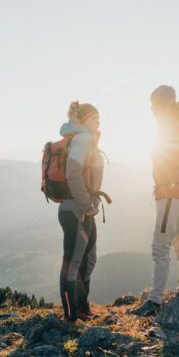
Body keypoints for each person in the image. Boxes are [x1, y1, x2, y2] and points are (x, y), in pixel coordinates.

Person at [131, 85, 179, 316]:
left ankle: (155, 300)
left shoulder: (169, 126)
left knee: (160, 246)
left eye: (154, 104)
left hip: (170, 194)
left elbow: (167, 161)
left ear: (164, 104)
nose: (151, 109)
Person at [56, 101, 105, 322]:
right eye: (94, 118)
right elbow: (73, 173)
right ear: (84, 121)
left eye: (99, 118)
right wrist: (86, 204)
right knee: (73, 263)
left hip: (82, 210)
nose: (98, 121)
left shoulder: (86, 139)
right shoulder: (83, 139)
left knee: (88, 259)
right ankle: (71, 313)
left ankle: (82, 307)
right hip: (76, 211)